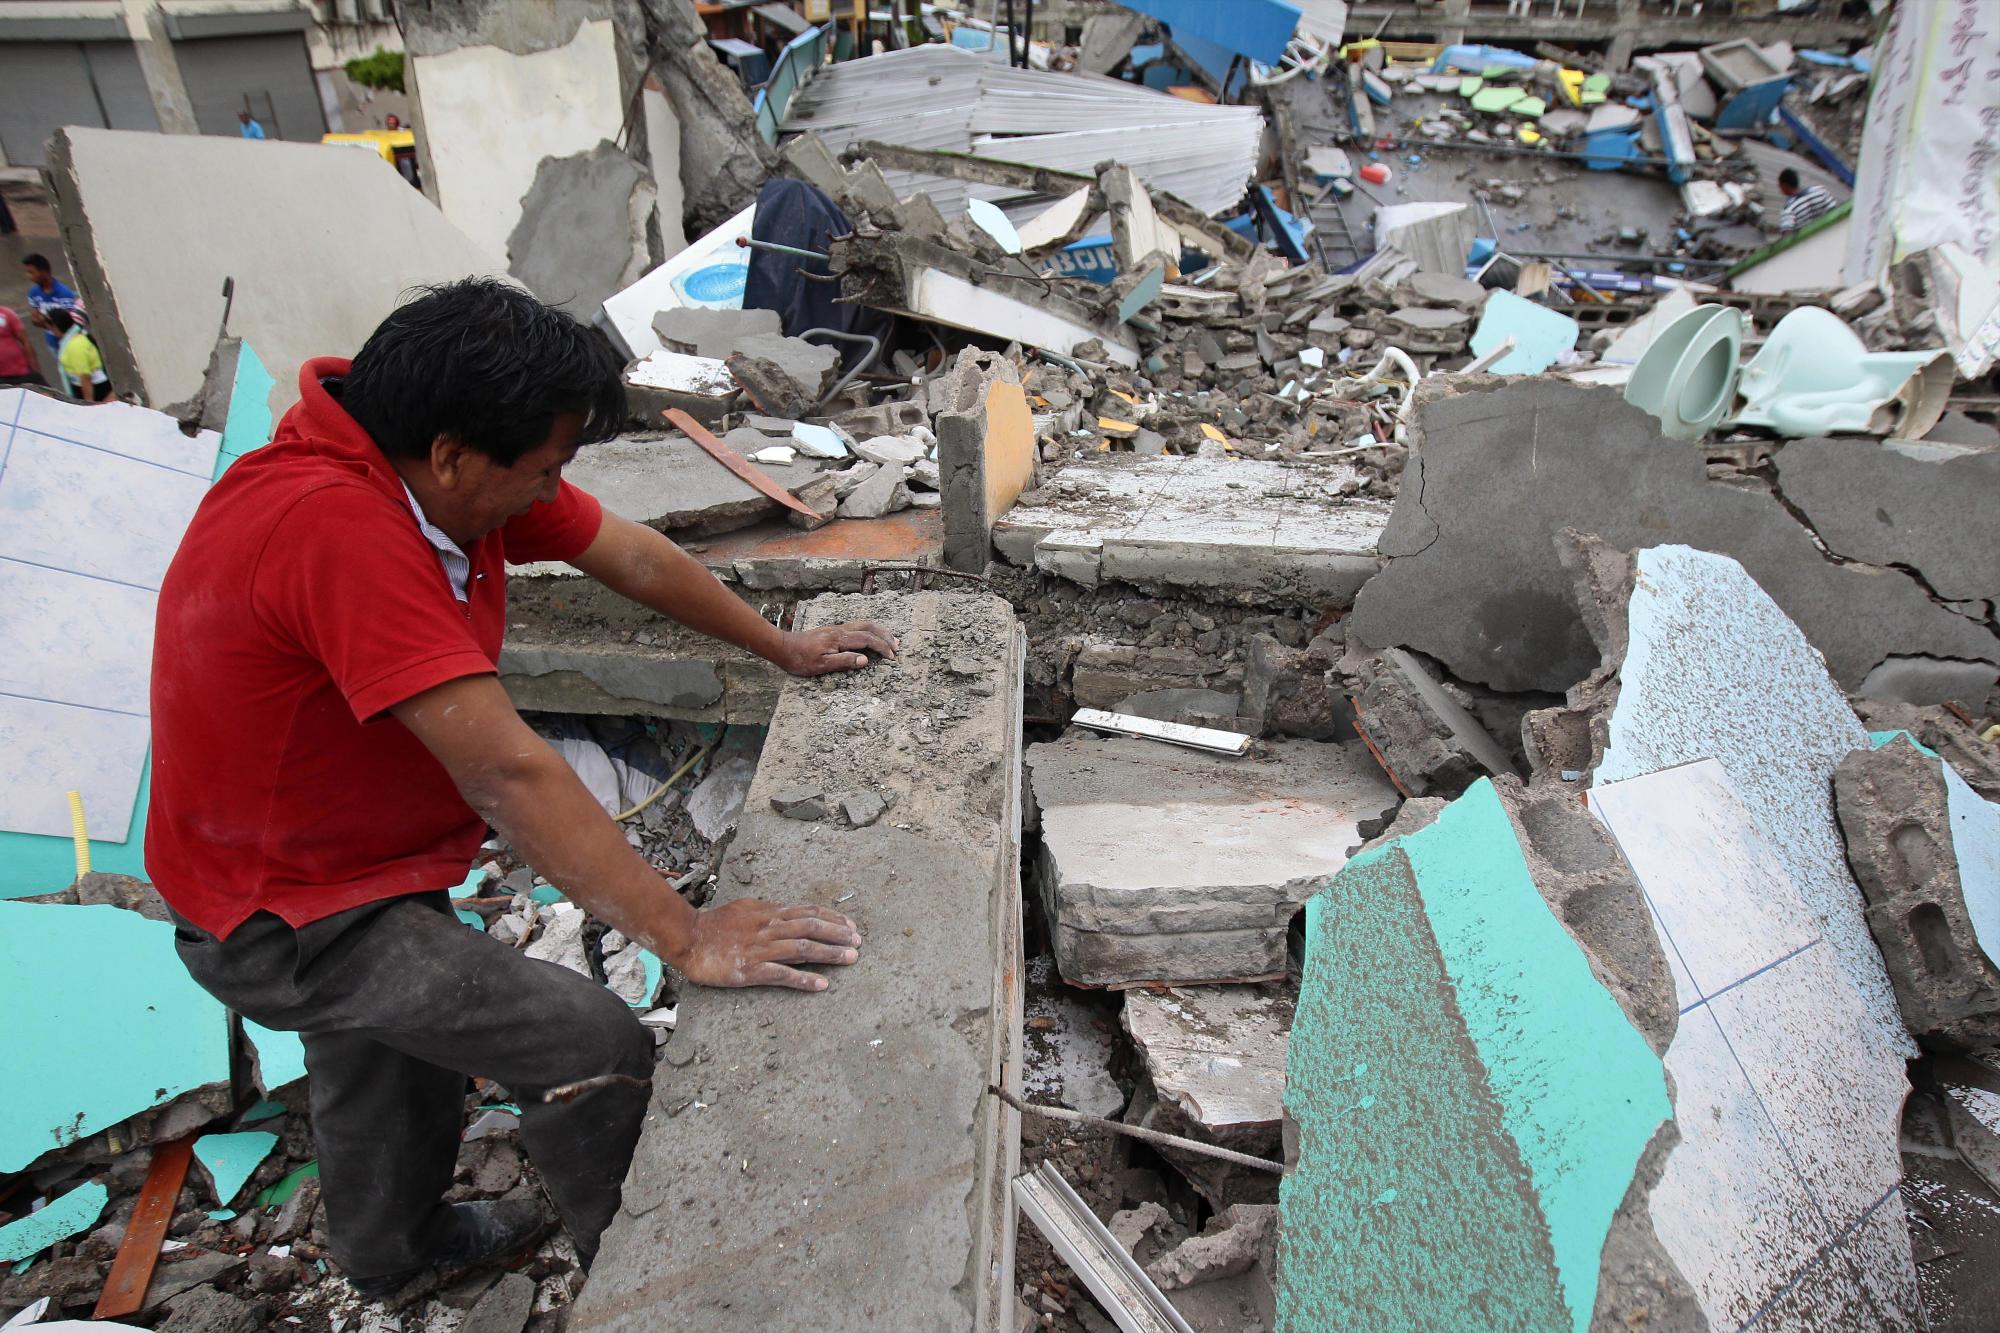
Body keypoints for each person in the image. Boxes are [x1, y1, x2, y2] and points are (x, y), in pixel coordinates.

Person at [149, 278, 895, 1299]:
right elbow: (504, 769)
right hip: (281, 908)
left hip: (335, 856)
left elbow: (630, 554)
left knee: (386, 1050)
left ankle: (392, 1256)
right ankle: (646, 1286)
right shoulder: (338, 528)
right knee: (585, 1038)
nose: (550, 492)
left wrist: (781, 645)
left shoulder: (422, 471)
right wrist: (688, 935)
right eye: (541, 469)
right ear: (455, 453)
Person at [22, 253, 80, 357]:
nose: (28, 276)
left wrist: (43, 320)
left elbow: (70, 322)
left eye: (31, 272)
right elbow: (34, 320)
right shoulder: (33, 293)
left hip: (71, 344)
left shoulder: (64, 293)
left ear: (44, 272)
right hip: (53, 345)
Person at [48, 308, 109, 401]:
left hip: (97, 392)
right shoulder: (74, 340)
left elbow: (85, 376)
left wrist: (88, 404)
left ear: (55, 326)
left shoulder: (75, 345)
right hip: (92, 390)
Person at [1777, 168, 1837, 233]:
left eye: (1780, 186)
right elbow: (1834, 211)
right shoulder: (1820, 191)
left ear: (1785, 185)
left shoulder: (1789, 208)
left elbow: (1787, 234)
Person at [0, 302, 43, 386]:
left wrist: (36, 370)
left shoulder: (7, 314)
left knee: (46, 396)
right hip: (1, 379)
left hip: (22, 372)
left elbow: (25, 341)